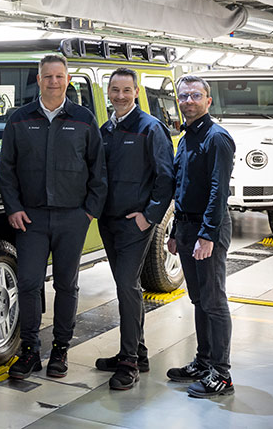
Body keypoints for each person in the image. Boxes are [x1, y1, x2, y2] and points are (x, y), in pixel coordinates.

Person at [0, 53, 106, 380]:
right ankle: (29, 350)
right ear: (38, 80)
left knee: (67, 285)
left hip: (72, 218)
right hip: (30, 220)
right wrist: (14, 207)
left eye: (60, 77)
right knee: (29, 283)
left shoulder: (84, 119)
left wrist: (89, 212)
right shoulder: (19, 119)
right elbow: (7, 169)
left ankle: (61, 349)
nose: (54, 82)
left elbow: (98, 170)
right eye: (48, 77)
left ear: (68, 80)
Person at [94, 67, 175, 390]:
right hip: (108, 221)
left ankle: (128, 362)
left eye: (126, 90)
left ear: (137, 92)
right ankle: (137, 351)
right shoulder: (105, 130)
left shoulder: (150, 128)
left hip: (134, 224)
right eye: (115, 90)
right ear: (108, 93)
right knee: (124, 286)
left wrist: (148, 216)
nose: (120, 96)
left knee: (127, 286)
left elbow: (166, 177)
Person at [166, 74, 236, 398]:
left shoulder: (216, 138)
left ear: (208, 101)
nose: (189, 101)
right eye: (184, 96)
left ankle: (221, 374)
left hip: (208, 230)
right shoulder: (187, 137)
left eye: (195, 96)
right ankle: (204, 360)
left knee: (213, 301)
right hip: (186, 228)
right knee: (198, 300)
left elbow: (217, 192)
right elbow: (182, 187)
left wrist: (206, 235)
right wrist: (173, 231)